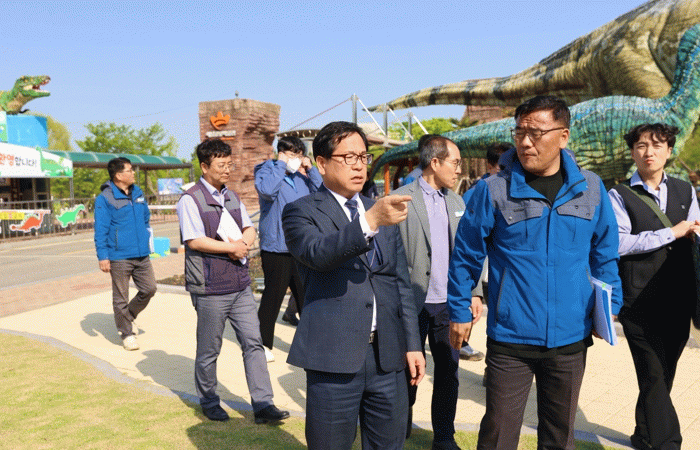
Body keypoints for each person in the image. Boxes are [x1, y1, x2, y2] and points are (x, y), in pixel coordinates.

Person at [447, 95, 623, 450]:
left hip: (571, 337)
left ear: (563, 136)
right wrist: (459, 309)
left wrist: (610, 305)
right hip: (511, 338)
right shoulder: (493, 189)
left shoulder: (591, 188)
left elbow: (604, 253)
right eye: (519, 132)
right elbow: (466, 254)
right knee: (498, 434)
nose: (526, 142)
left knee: (560, 436)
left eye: (536, 133)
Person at [282, 121, 425, 450]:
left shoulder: (380, 209)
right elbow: (317, 254)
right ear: (321, 163)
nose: (359, 165)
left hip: (387, 358)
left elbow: (400, 283)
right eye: (348, 157)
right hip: (334, 358)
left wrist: (413, 344)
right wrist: (370, 221)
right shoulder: (301, 211)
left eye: (363, 156)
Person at [176, 138, 289, 424]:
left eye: (229, 164)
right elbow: (194, 240)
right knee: (209, 349)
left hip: (239, 284)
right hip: (210, 286)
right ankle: (209, 400)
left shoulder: (231, 196)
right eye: (221, 165)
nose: (227, 169)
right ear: (204, 166)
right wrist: (231, 248)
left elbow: (249, 227)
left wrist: (244, 243)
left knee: (254, 343)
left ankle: (263, 404)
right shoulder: (191, 199)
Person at [608, 123, 700, 450]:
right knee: (653, 374)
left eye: (657, 145)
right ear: (633, 152)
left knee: (662, 374)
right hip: (638, 302)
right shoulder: (618, 195)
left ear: (669, 151)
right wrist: (670, 233)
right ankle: (667, 443)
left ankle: (643, 434)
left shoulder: (686, 191)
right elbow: (618, 243)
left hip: (679, 298)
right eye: (642, 146)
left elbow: (694, 232)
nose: (649, 152)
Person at [394, 134, 483, 450]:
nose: (459, 170)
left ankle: (444, 437)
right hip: (411, 304)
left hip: (449, 305)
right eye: (455, 163)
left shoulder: (457, 202)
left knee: (448, 372)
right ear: (434, 162)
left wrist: (474, 292)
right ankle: (398, 428)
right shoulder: (400, 199)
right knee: (407, 372)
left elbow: (470, 251)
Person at [254, 135, 322, 361]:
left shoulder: (301, 178)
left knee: (307, 296)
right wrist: (281, 164)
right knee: (273, 296)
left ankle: (315, 343)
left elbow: (321, 193)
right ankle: (261, 344)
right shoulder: (266, 171)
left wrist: (310, 169)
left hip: (300, 246)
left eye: (299, 155)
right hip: (276, 248)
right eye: (293, 154)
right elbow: (267, 191)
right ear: (281, 153)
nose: (296, 159)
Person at [94, 157, 156, 351]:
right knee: (120, 296)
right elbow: (101, 229)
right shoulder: (105, 198)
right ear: (118, 175)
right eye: (129, 170)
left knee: (149, 289)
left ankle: (128, 316)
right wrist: (103, 256)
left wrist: (146, 237)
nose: (133, 173)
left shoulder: (138, 193)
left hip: (142, 254)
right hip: (119, 255)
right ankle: (126, 334)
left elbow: (145, 217)